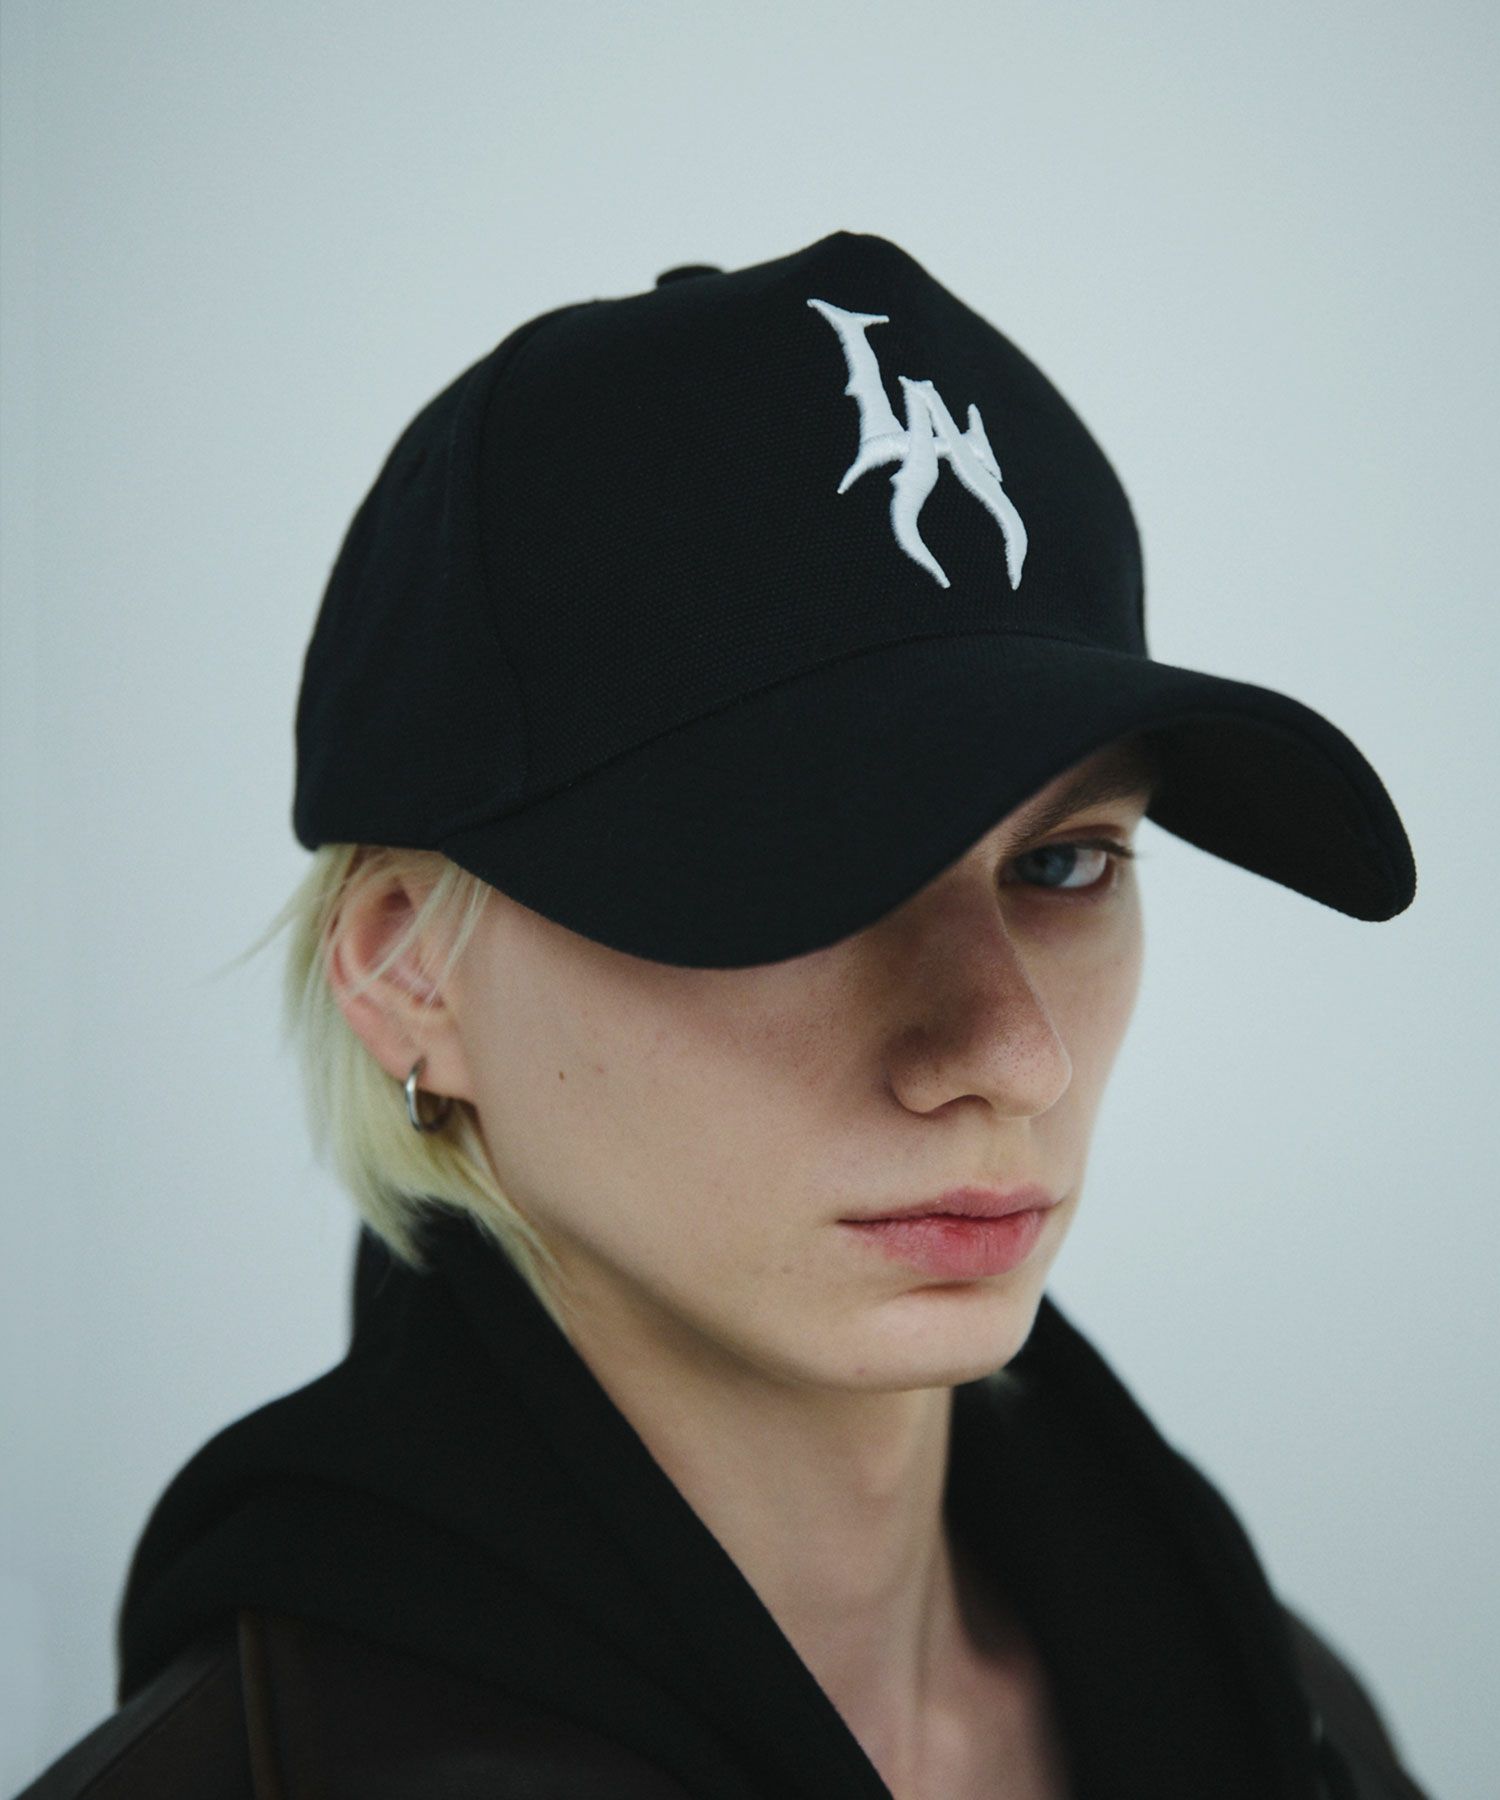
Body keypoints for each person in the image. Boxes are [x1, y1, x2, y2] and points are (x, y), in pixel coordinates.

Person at [19, 232, 1432, 1800]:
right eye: (814, 875)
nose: (1011, 1054)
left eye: (1063, 862)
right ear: (410, 974)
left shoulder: (1287, 1717)